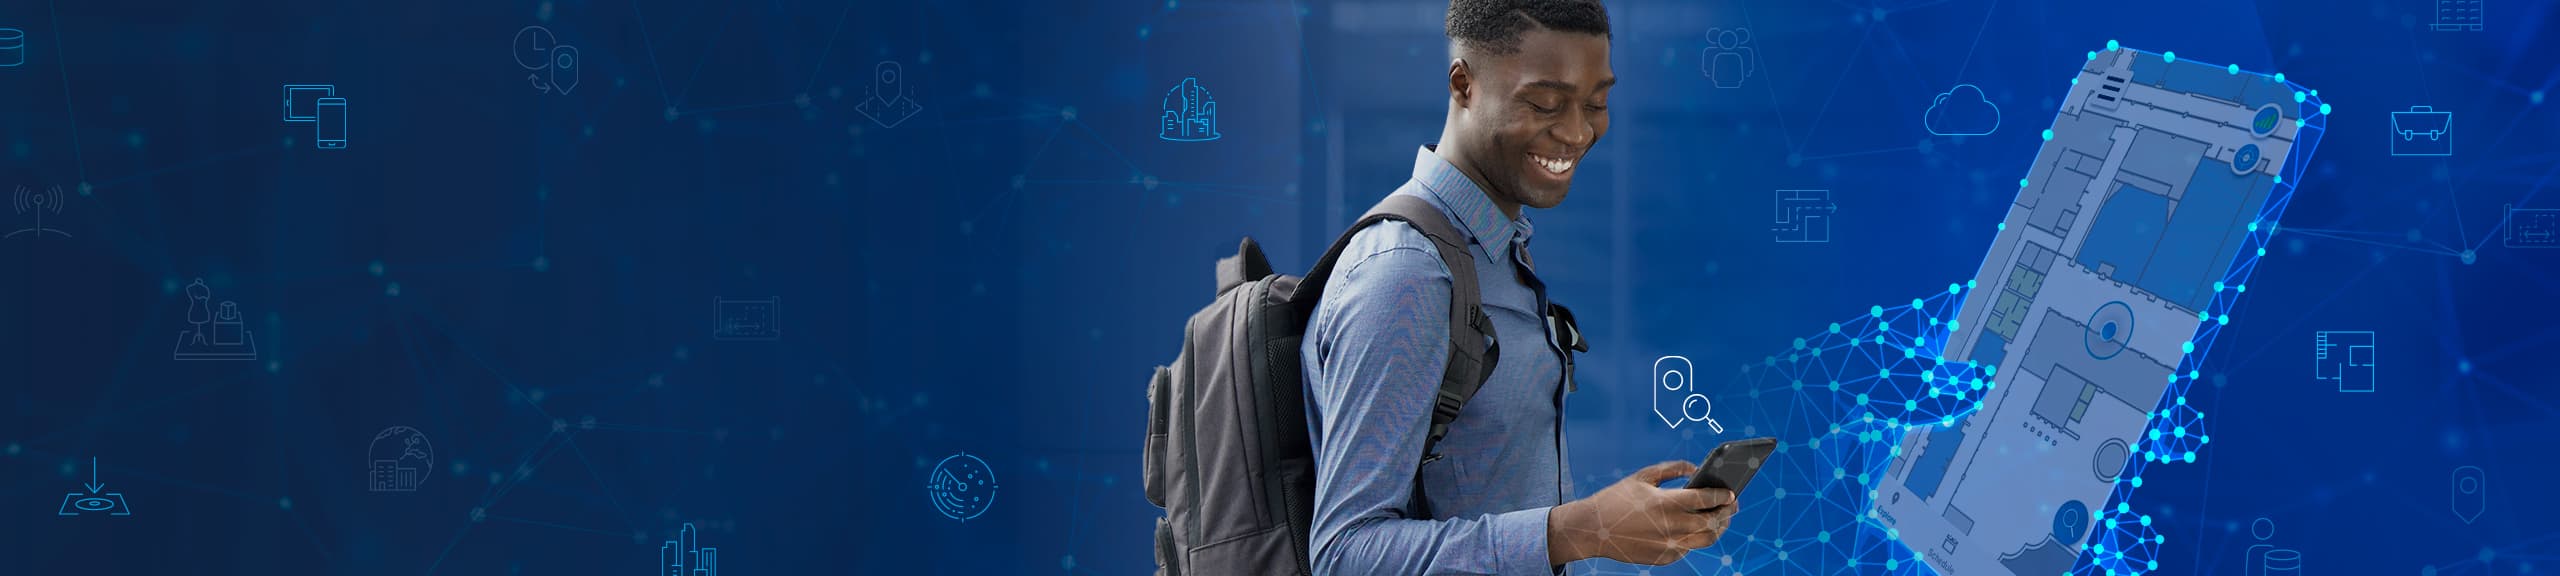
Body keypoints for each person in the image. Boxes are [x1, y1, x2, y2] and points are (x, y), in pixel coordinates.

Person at [1301, 0, 1740, 573]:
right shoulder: (1407, 272)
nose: (1578, 131)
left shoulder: (1494, 248)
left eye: (1596, 103)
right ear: (1463, 85)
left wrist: (1610, 521)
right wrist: (1583, 528)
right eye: (1545, 103)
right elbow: (1344, 554)